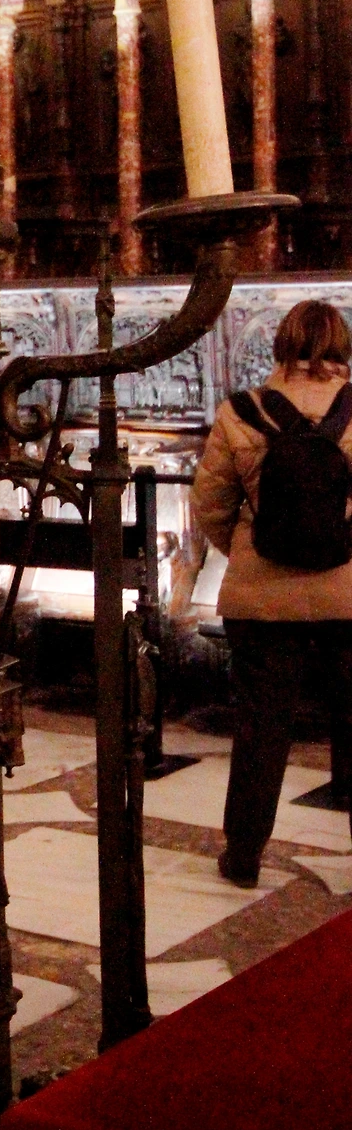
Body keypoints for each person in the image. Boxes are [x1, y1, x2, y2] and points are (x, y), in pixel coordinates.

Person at [192, 298, 352, 886]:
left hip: (260, 601)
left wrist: (254, 554)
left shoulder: (240, 413)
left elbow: (210, 506)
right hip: (348, 597)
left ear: (280, 345)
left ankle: (243, 856)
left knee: (261, 728)